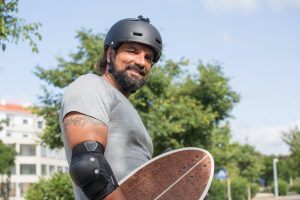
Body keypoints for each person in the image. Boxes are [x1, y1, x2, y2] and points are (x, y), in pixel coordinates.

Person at [59, 15, 162, 200]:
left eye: (148, 58)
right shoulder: (91, 85)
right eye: (132, 51)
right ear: (109, 54)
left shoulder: (127, 108)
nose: (141, 62)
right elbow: (89, 167)